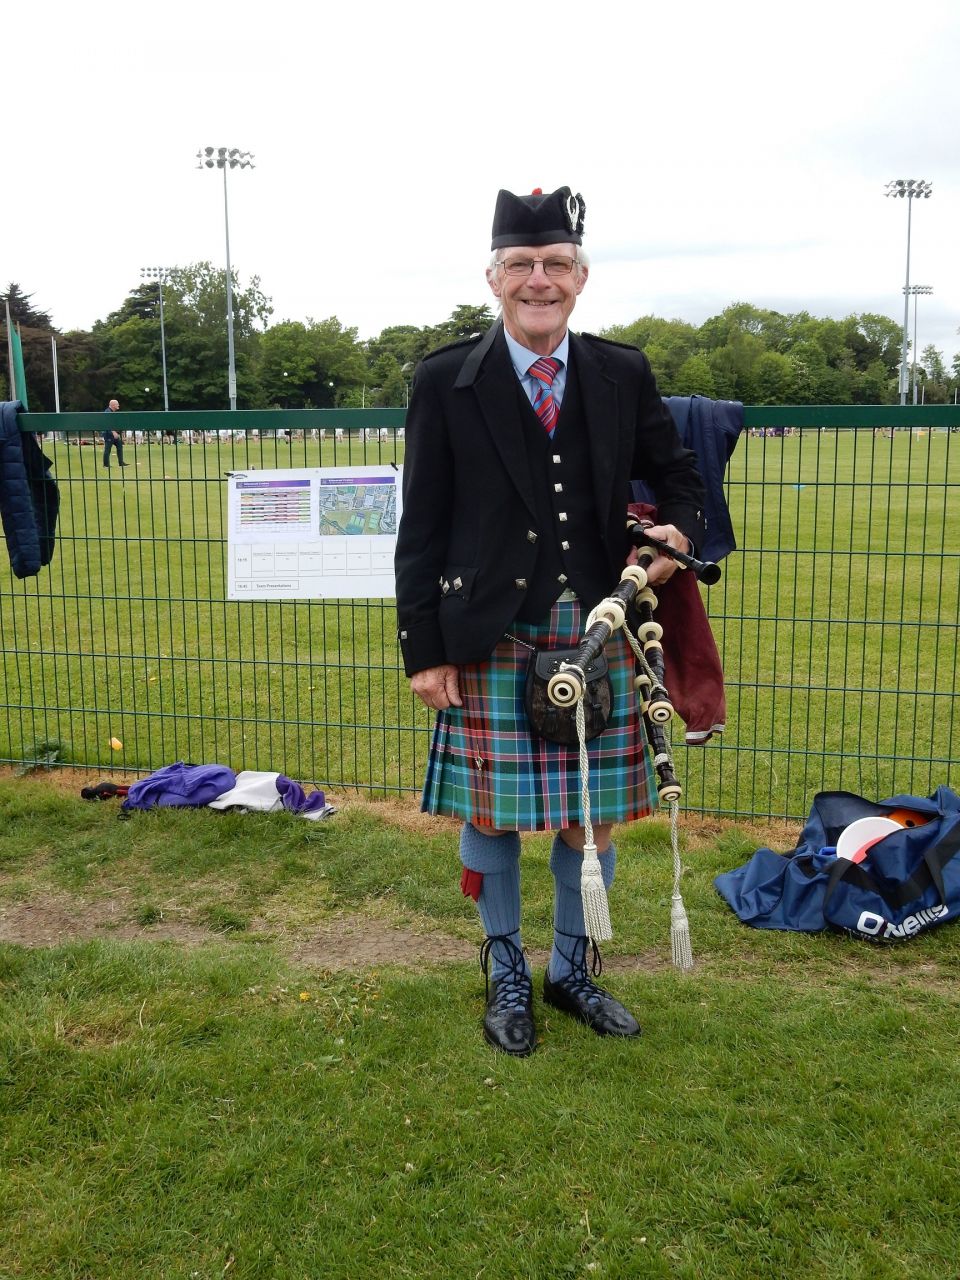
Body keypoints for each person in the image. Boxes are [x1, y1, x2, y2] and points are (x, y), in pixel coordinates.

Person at [394, 185, 707, 1056]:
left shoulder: (620, 371)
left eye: (557, 264)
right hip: (490, 631)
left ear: (581, 275)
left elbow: (678, 474)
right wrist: (426, 648)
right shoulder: (445, 381)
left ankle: (572, 971)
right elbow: (420, 524)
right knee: (492, 814)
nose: (541, 279)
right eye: (523, 265)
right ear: (494, 278)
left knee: (587, 815)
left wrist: (681, 530)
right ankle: (504, 971)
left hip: (598, 625)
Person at [102, 399, 128, 469]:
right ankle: (106, 465)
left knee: (120, 446)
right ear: (113, 405)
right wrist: (113, 432)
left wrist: (118, 432)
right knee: (107, 449)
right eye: (117, 404)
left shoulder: (113, 412)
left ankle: (121, 463)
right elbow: (107, 423)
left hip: (113, 434)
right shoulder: (107, 412)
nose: (118, 405)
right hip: (108, 434)